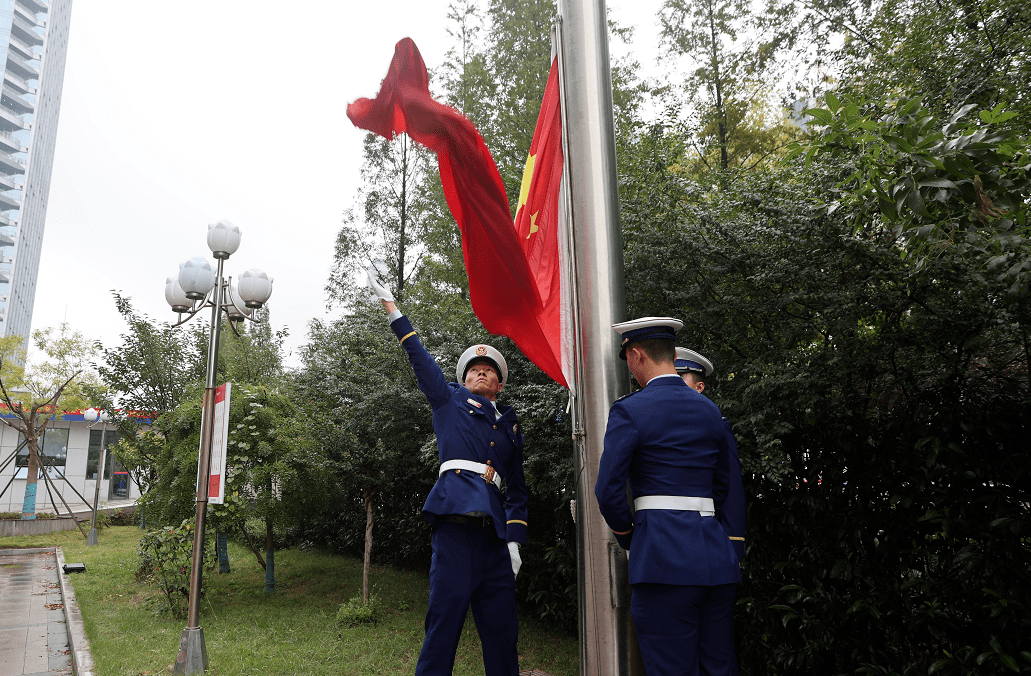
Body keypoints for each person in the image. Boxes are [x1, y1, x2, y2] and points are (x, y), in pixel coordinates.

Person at [368, 267, 527, 676]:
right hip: (454, 533)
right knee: (442, 632)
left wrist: (514, 543)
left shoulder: (510, 427)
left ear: (499, 385)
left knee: (502, 636)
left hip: (494, 542)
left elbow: (518, 492)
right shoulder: (449, 402)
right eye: (473, 368)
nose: (480, 371)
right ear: (462, 379)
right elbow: (420, 358)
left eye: (488, 369)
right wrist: (392, 309)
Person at [595, 318, 742, 676]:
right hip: (716, 562)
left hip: (663, 562)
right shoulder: (709, 411)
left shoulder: (629, 410)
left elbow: (608, 490)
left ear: (635, 355)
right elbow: (722, 486)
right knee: (718, 668)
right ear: (673, 356)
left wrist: (630, 537)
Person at [675, 347, 746, 565]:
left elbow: (730, 487)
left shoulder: (717, 426)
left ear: (699, 387)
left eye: (680, 377)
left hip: (703, 535)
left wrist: (732, 543)